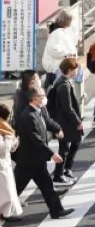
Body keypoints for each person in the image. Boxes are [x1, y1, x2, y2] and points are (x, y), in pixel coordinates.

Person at [13, 88, 72, 220]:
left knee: (47, 186)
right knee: (16, 187)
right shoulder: (28, 116)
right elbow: (36, 140)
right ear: (34, 98)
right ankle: (4, 210)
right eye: (42, 95)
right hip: (27, 161)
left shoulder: (38, 112)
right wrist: (52, 154)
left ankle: (57, 210)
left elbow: (48, 122)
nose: (44, 97)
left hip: (36, 160)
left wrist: (57, 129)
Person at [49, 58, 84, 184]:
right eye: (75, 69)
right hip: (65, 122)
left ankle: (66, 169)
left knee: (74, 143)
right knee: (64, 148)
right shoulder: (63, 85)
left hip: (65, 120)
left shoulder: (64, 81)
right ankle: (59, 174)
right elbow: (67, 107)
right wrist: (77, 122)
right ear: (69, 70)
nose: (77, 71)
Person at [0, 105, 22, 227]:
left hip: (4, 166)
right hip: (1, 166)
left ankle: (4, 213)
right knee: (5, 193)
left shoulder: (5, 129)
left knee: (7, 193)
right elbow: (2, 150)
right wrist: (10, 140)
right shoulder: (4, 131)